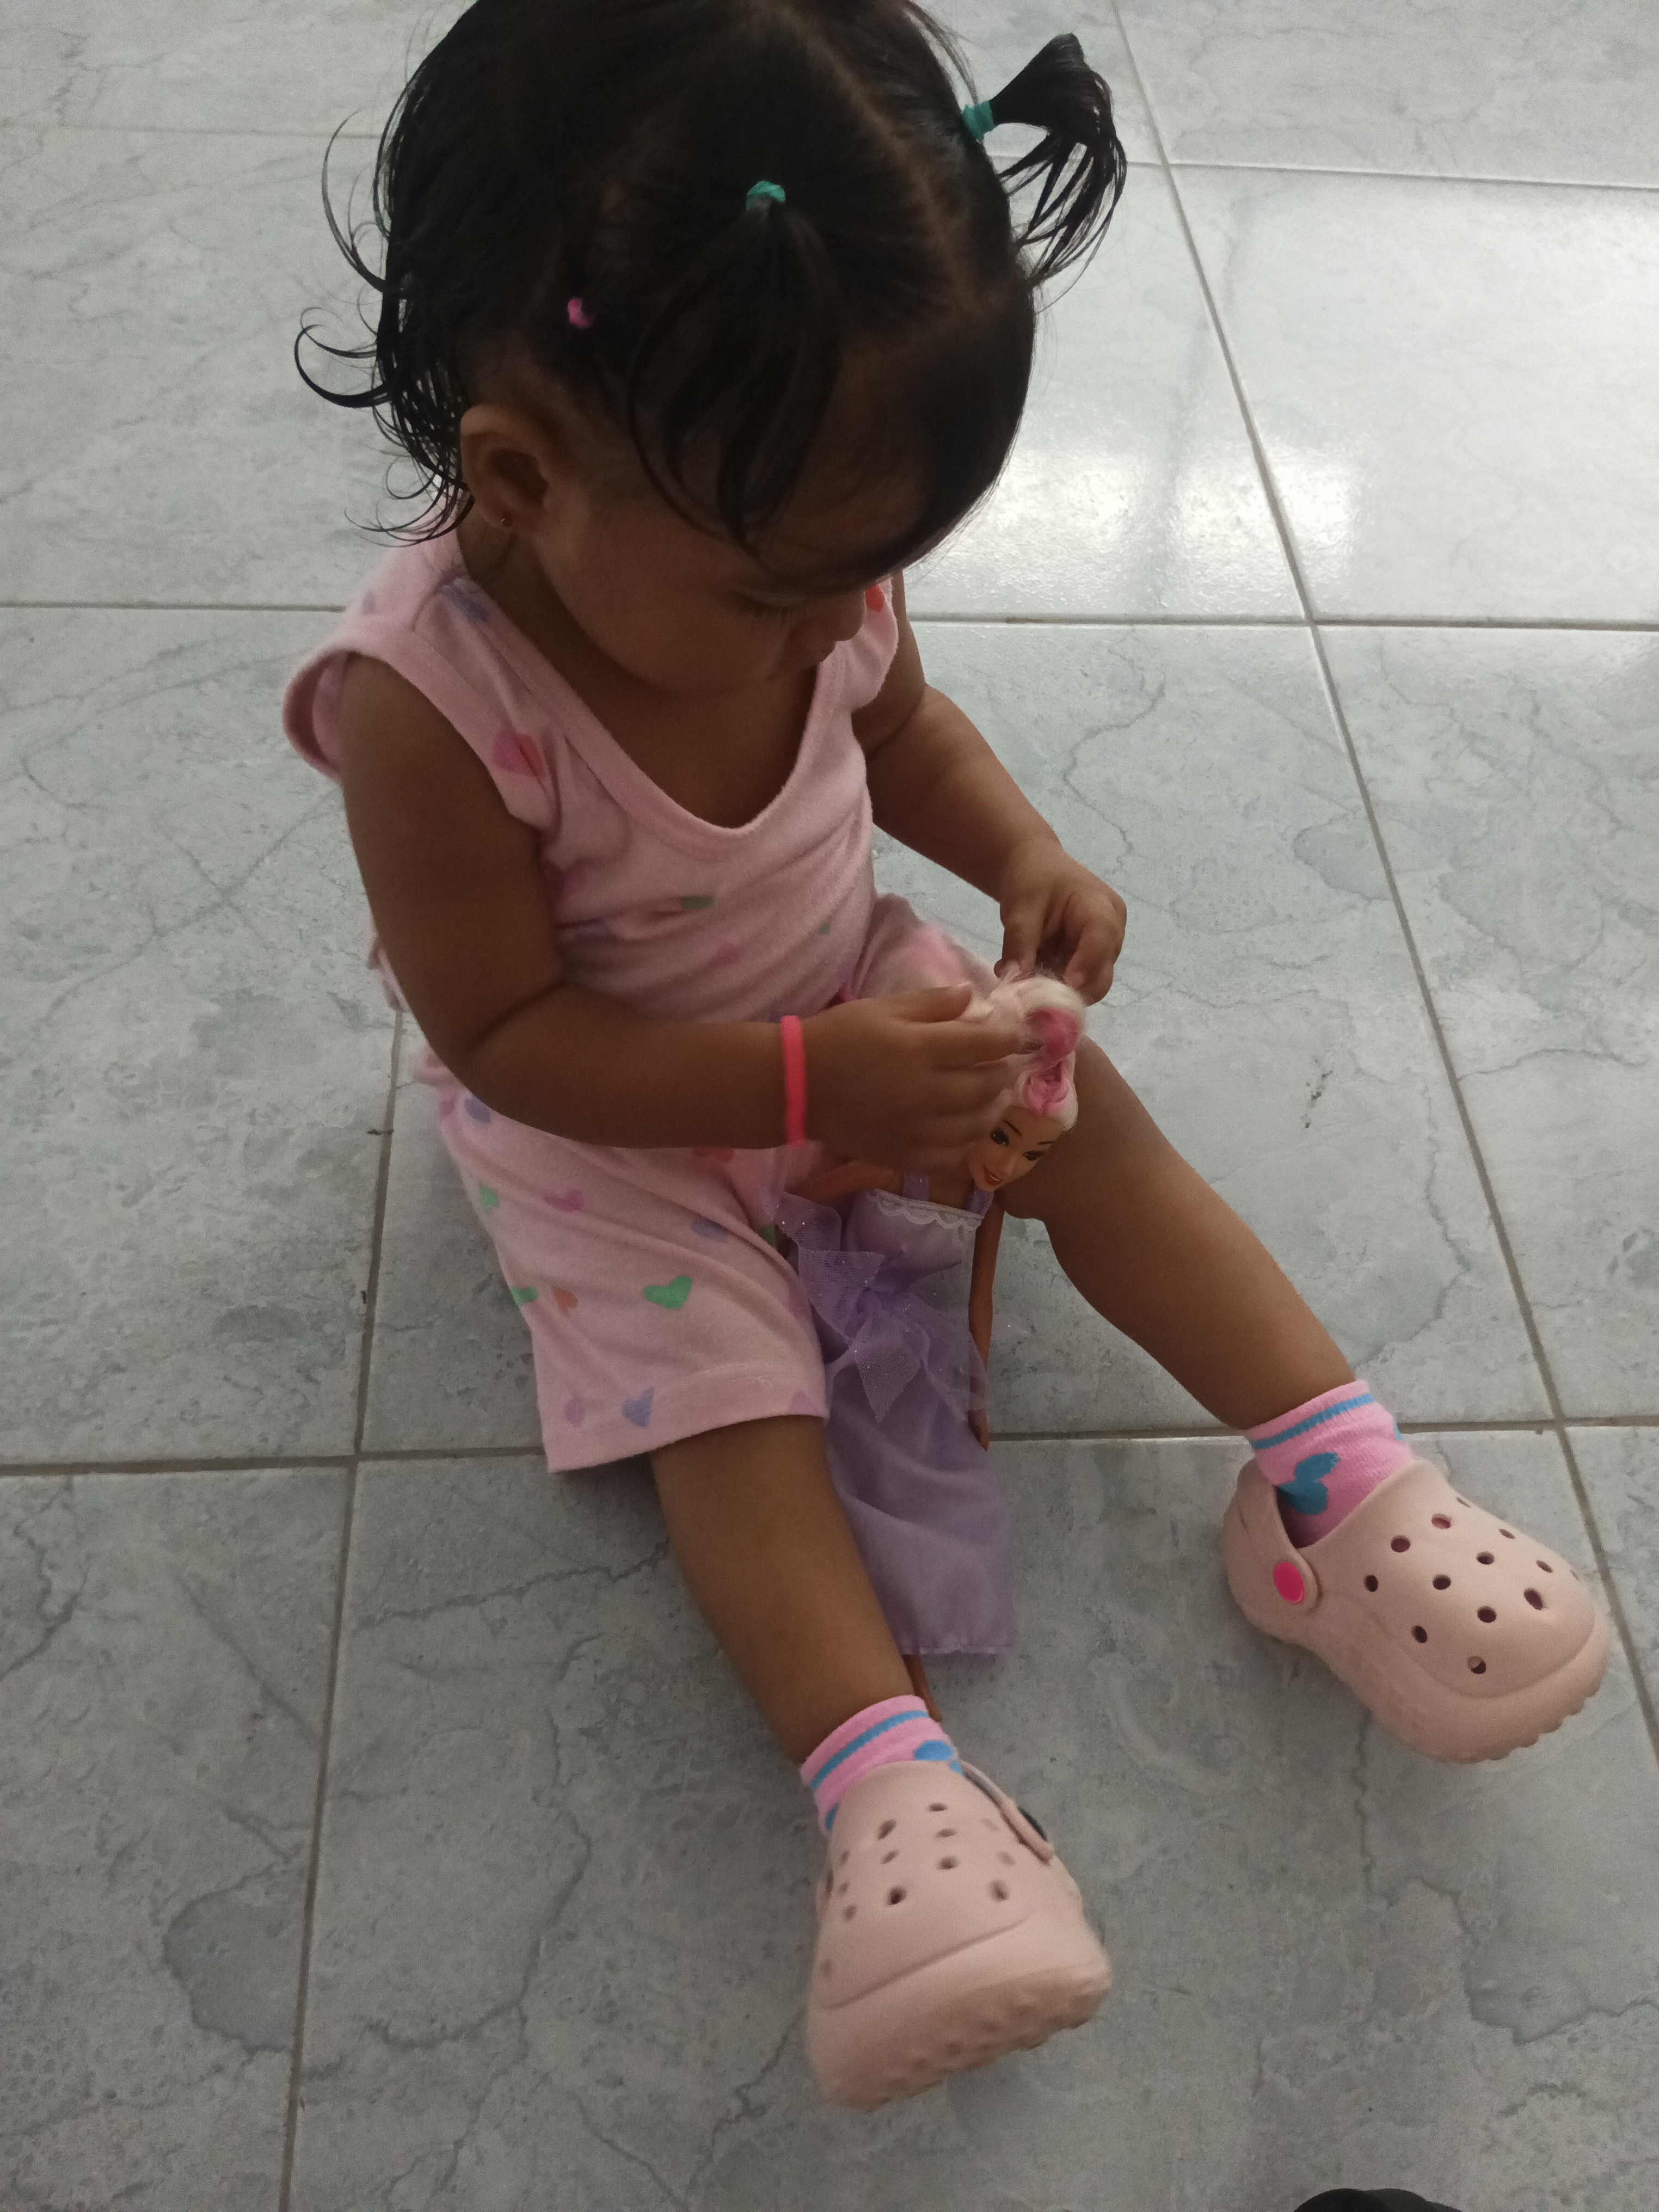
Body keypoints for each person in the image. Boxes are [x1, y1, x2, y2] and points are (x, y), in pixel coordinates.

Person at [283, 0, 1608, 2111]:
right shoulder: (427, 709)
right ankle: (891, 1788)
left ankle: (1341, 1488)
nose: (843, 626)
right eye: (786, 596)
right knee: (726, 1394)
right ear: (524, 477)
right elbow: (503, 1038)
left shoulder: (795, 537)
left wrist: (1021, 855)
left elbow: (898, 727)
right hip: (618, 1121)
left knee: (1101, 1128)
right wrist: (808, 1090)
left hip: (856, 992)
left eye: (875, 573)